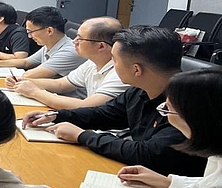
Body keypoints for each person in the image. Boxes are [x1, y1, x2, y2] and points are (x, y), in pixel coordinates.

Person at [23, 26, 207, 176]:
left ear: (136, 70)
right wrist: (56, 116)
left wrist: (81, 136)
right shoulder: (139, 90)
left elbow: (146, 154)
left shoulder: (188, 105)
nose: (113, 66)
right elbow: (104, 114)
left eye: (114, 60)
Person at [7, 16, 129, 109]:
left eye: (80, 38)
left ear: (101, 46)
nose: (74, 41)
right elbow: (61, 84)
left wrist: (34, 92)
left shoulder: (120, 72)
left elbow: (86, 106)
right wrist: (23, 82)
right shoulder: (92, 63)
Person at [0, 6, 85, 77]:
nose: (29, 36)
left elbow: (31, 75)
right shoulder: (50, 45)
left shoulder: (68, 51)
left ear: (49, 31)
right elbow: (26, 62)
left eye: (31, 32)